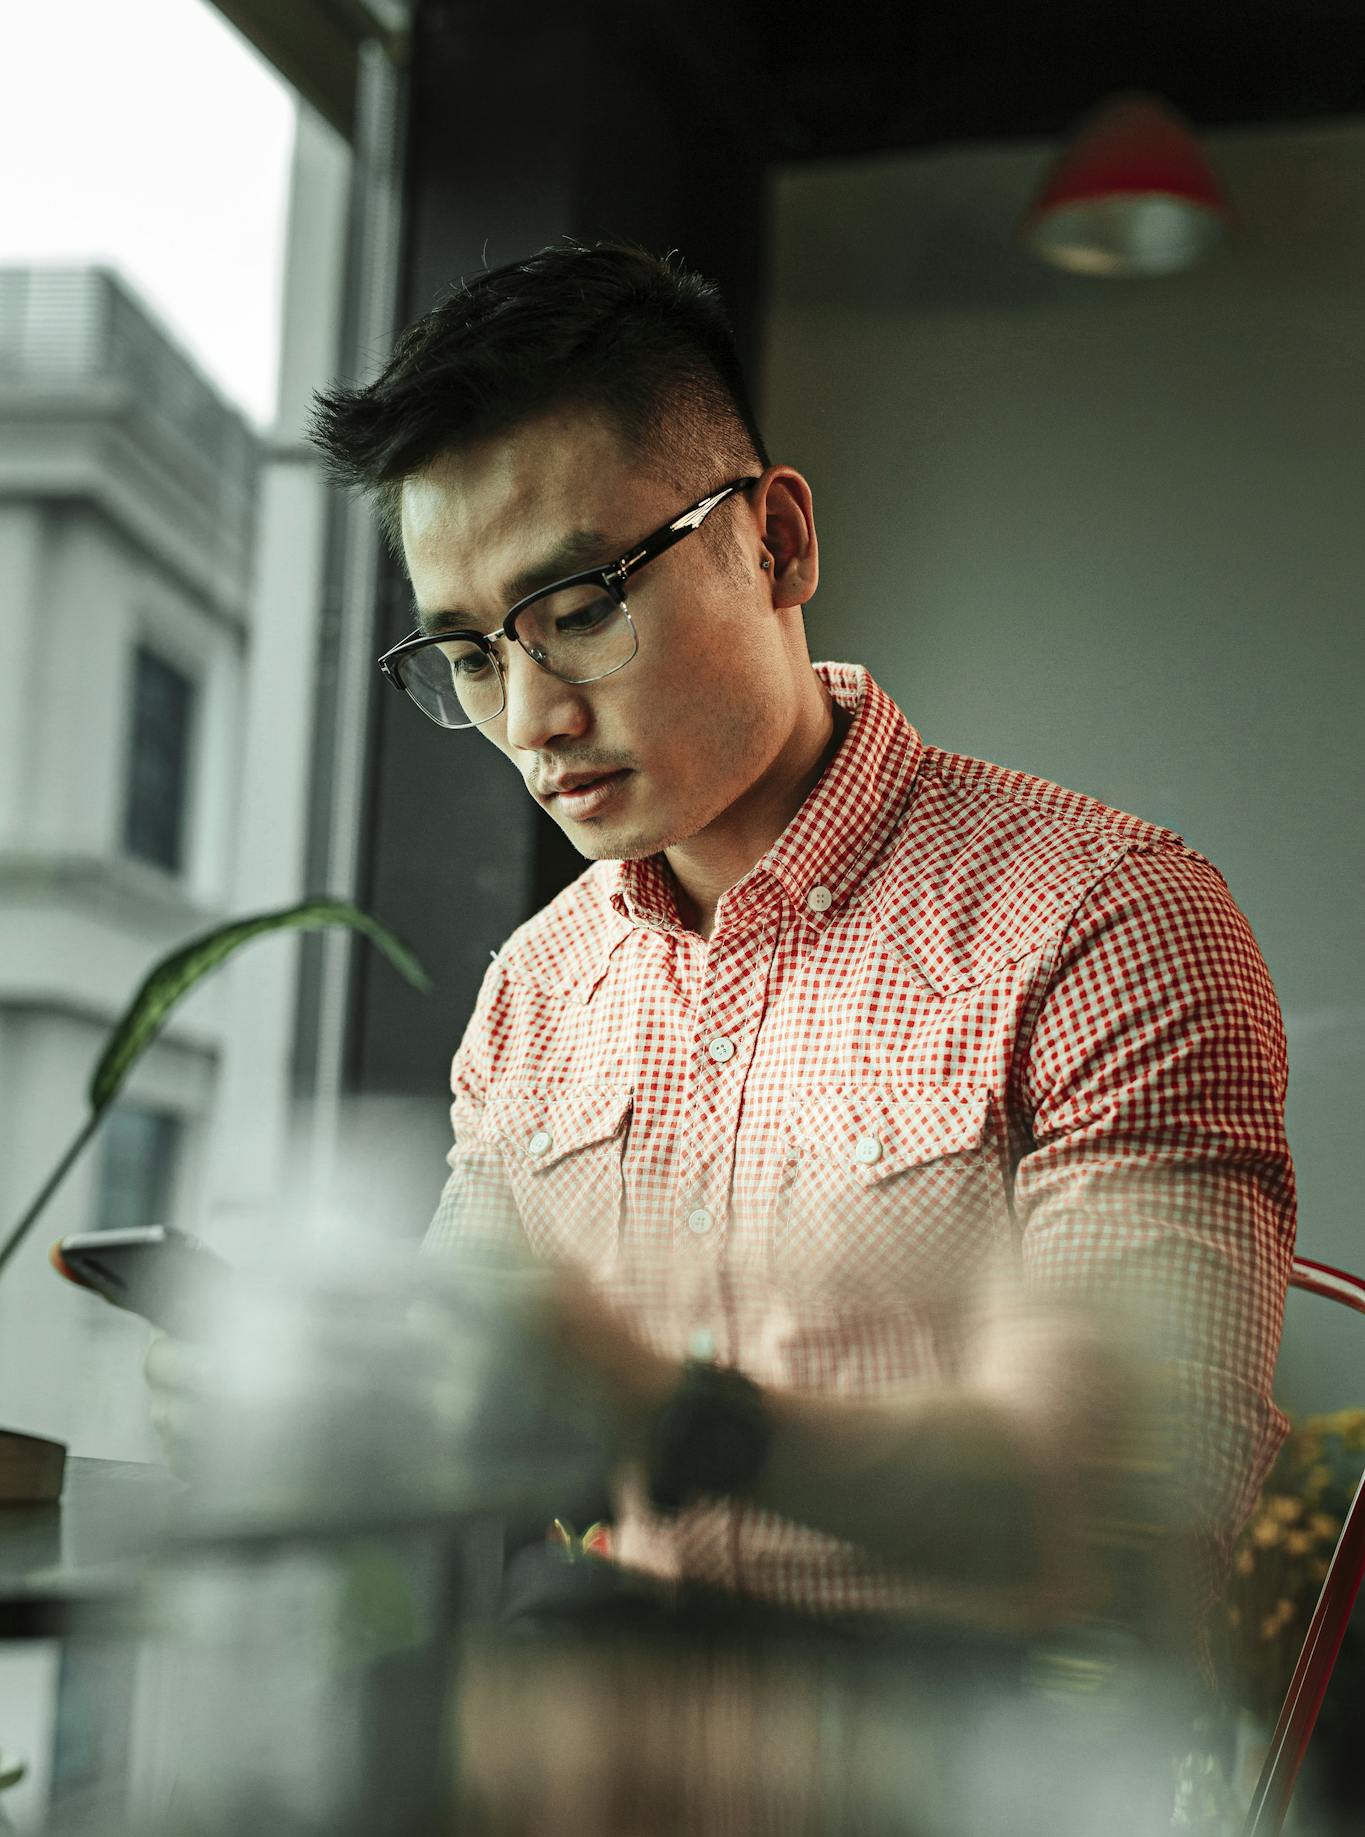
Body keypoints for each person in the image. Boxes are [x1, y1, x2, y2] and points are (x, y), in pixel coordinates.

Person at [305, 243, 1294, 1639]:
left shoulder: (1105, 923)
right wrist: (325, 1403)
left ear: (774, 540)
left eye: (579, 608)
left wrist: (673, 1414)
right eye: (469, 655)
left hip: (978, 1775)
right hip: (621, 1740)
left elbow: (1135, 1504)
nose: (529, 721)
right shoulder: (540, 990)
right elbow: (466, 1409)